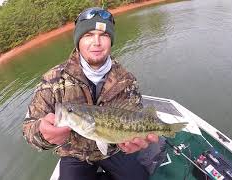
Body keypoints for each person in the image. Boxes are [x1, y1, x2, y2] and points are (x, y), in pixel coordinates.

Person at [22, 7, 159, 180]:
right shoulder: (52, 80)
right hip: (75, 154)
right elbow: (28, 128)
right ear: (78, 40)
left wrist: (133, 141)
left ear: (111, 40)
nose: (96, 42)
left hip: (113, 147)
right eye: (88, 35)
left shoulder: (127, 80)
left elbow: (135, 116)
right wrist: (42, 133)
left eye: (104, 35)